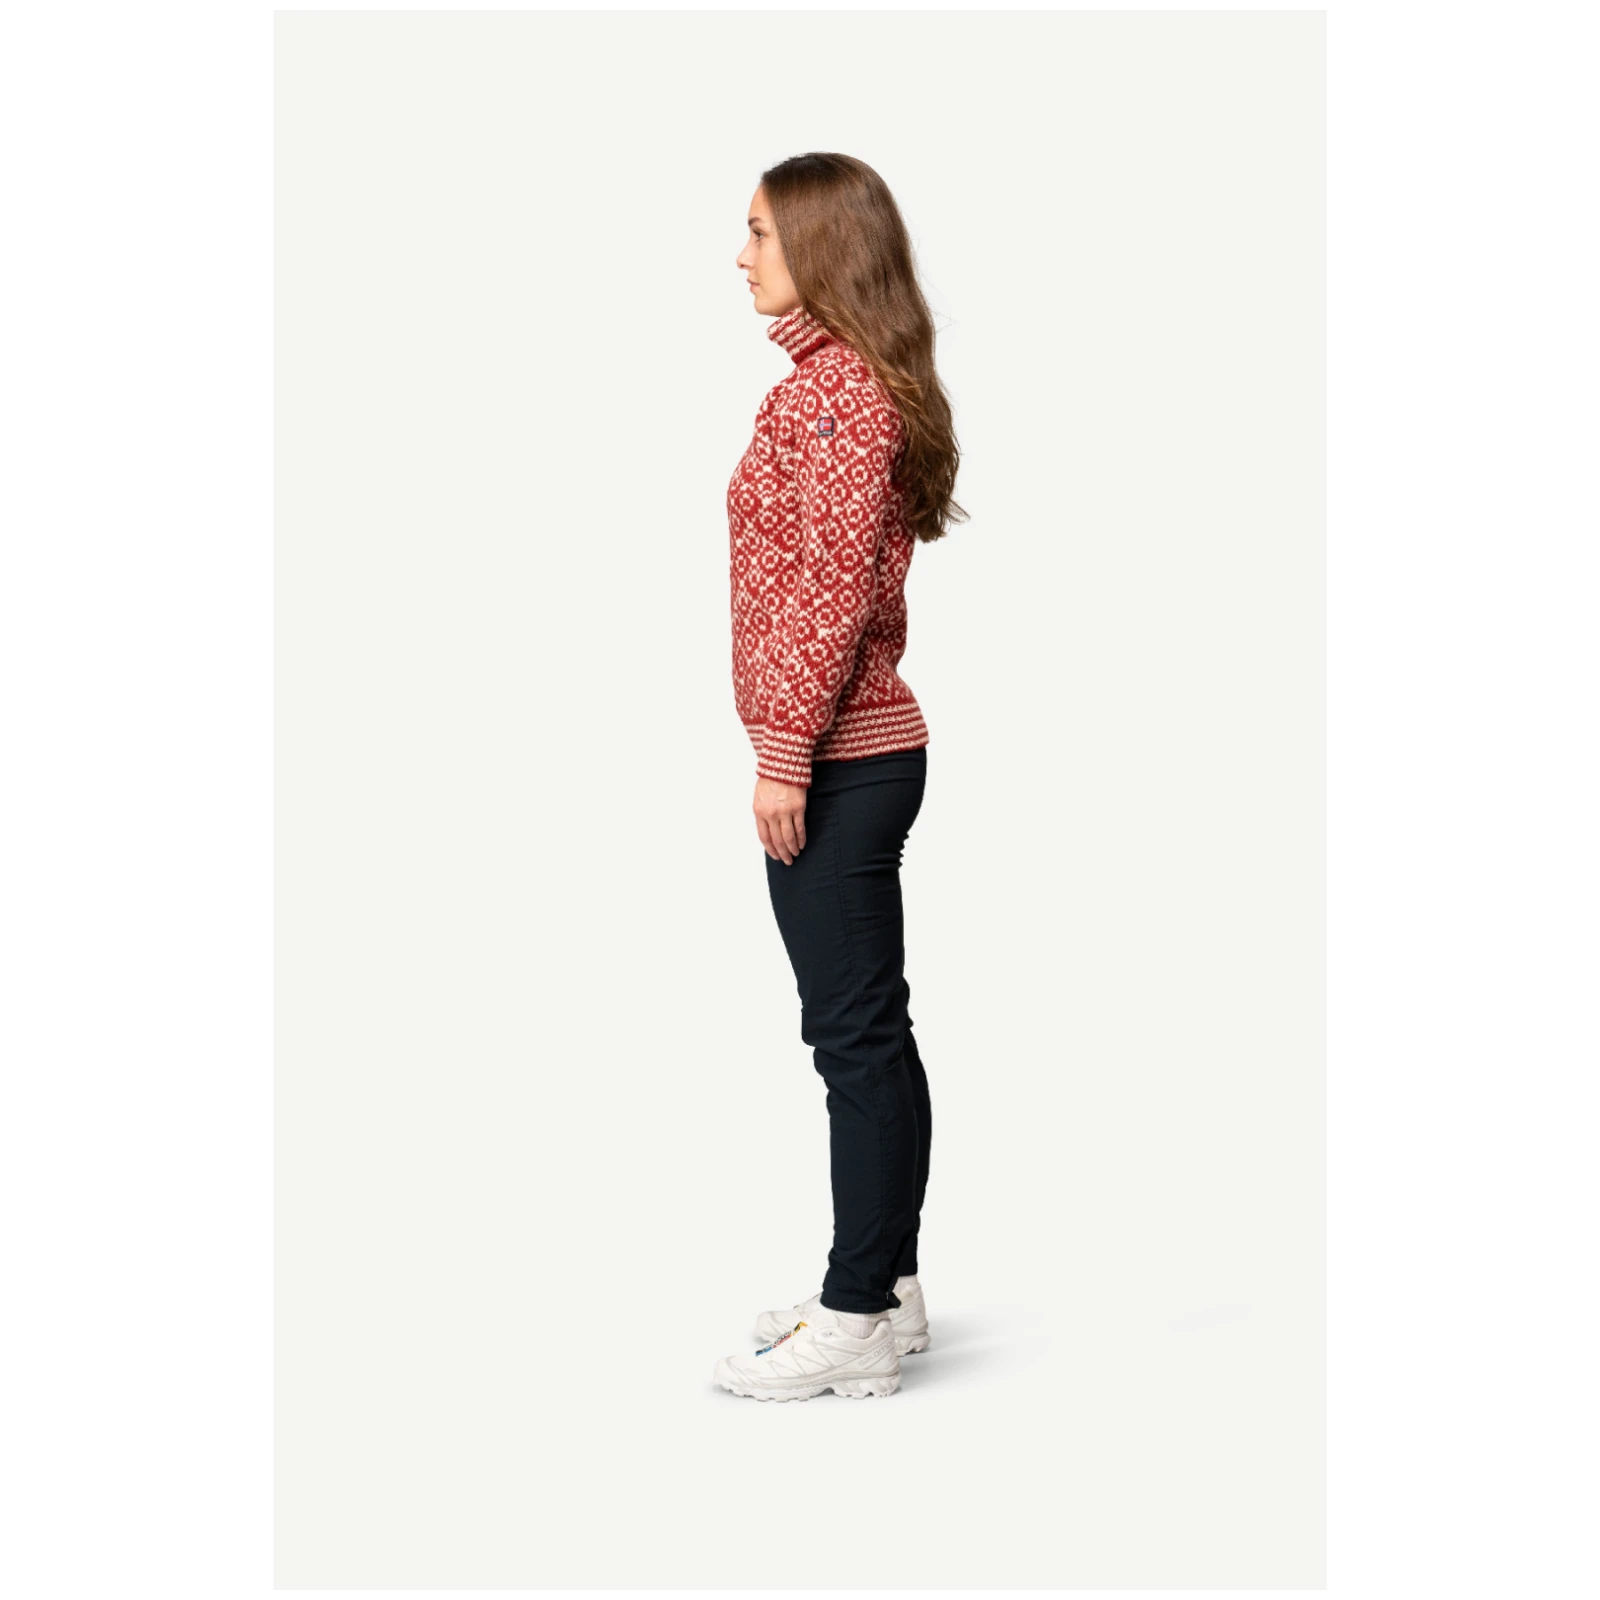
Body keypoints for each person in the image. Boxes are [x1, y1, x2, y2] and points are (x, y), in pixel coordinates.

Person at [714, 153, 967, 1401]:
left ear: (820, 244)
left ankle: (856, 1307)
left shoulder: (836, 399)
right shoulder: (836, 388)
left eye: (760, 233)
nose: (741, 256)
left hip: (838, 761)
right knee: (872, 1036)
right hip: (856, 753)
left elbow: (826, 593)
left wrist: (782, 756)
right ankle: (889, 1283)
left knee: (853, 1043)